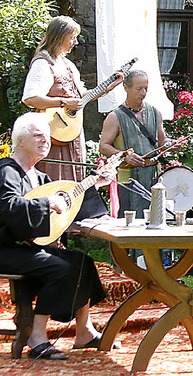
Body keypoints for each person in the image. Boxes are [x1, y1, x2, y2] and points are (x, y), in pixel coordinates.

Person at [0, 113, 115, 360]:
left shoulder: (39, 177)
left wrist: (96, 185)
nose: (45, 141)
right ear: (20, 140)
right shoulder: (6, 171)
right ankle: (37, 336)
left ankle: (84, 331)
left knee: (82, 262)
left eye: (47, 136)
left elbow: (66, 208)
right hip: (6, 248)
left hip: (26, 247)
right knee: (59, 267)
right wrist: (46, 202)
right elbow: (9, 207)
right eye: (37, 136)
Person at [22, 16, 122, 183]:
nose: (75, 42)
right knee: (54, 180)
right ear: (60, 36)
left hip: (71, 133)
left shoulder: (68, 65)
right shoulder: (43, 63)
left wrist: (108, 87)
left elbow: (82, 97)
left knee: (73, 180)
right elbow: (30, 98)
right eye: (73, 37)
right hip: (52, 134)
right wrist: (62, 102)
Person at [99, 70, 170, 217]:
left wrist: (171, 144)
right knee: (126, 222)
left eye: (146, 88)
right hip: (127, 179)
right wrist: (123, 156)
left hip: (151, 177)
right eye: (139, 89)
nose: (143, 92)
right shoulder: (115, 116)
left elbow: (162, 139)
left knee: (153, 220)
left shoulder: (155, 112)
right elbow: (104, 146)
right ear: (126, 87)